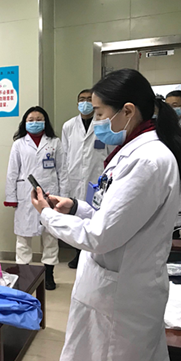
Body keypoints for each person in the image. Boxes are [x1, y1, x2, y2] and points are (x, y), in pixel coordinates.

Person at [31, 69, 181, 361]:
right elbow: (113, 216)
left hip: (125, 296)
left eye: (99, 113)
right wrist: (75, 207)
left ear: (127, 111)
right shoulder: (133, 151)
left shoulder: (148, 160)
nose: (96, 121)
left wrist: (48, 216)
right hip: (119, 287)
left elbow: (100, 235)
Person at [4, 106, 67, 290]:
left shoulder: (55, 142)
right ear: (24, 123)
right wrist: (11, 197)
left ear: (45, 121)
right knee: (23, 238)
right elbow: (12, 172)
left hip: (50, 194)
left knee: (50, 236)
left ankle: (49, 274)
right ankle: (24, 273)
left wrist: (63, 197)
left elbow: (63, 171)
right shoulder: (19, 144)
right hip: (25, 195)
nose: (35, 122)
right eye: (30, 120)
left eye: (39, 119)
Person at [62, 89, 113, 269]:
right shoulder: (69, 126)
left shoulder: (104, 124)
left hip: (96, 177)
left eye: (88, 99)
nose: (85, 103)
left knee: (96, 216)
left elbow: (110, 153)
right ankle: (78, 254)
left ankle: (94, 254)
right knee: (76, 218)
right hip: (74, 177)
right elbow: (64, 154)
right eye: (81, 99)